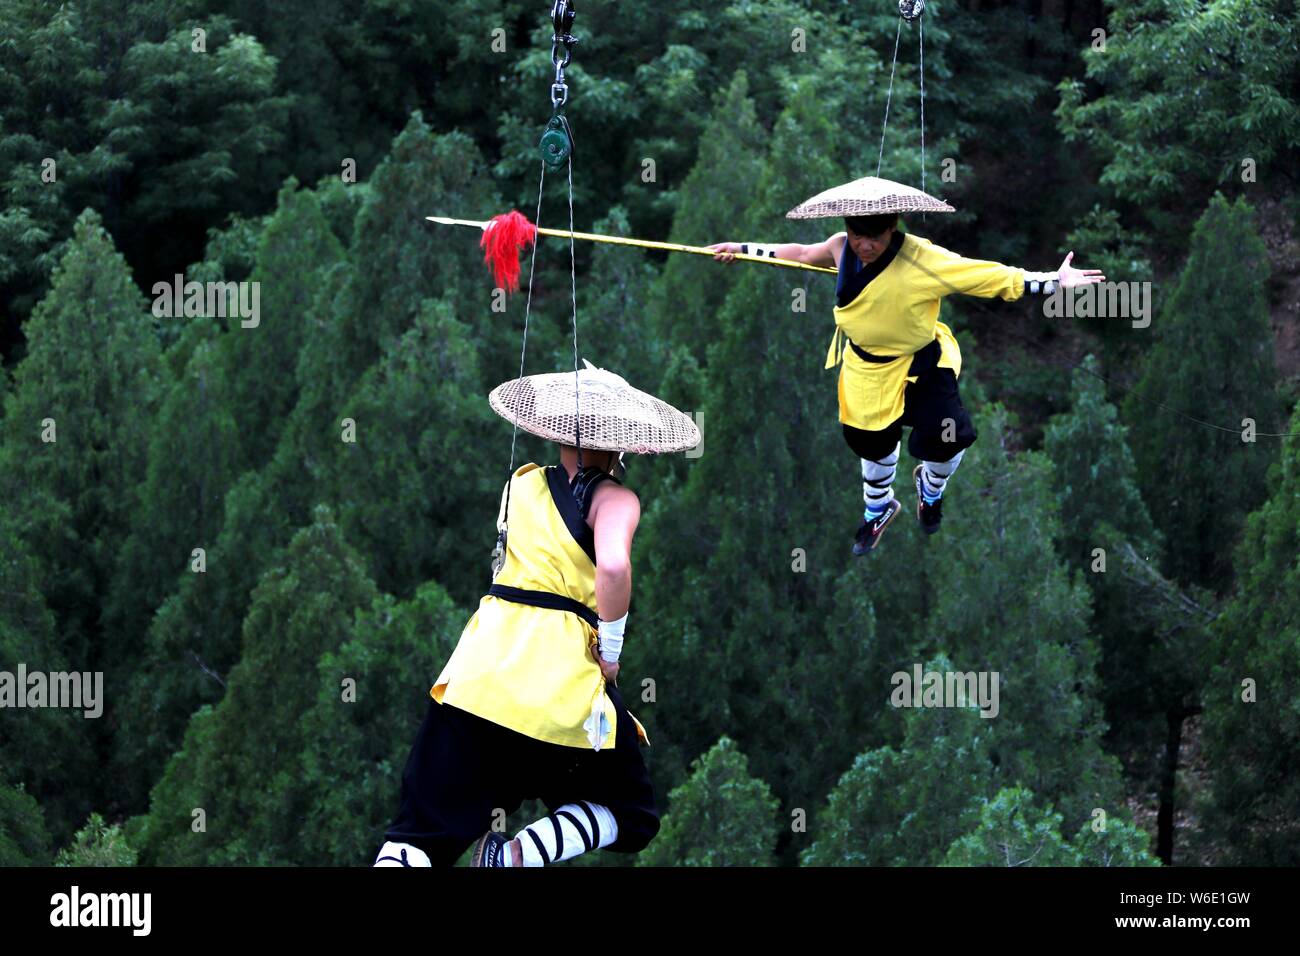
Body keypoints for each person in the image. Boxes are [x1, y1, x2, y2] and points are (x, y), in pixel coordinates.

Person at [373, 360, 700, 867]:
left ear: (555, 430)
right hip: (559, 689)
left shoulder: (519, 485)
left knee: (420, 834)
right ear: (621, 438)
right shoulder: (615, 498)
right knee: (631, 812)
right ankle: (521, 854)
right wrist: (610, 652)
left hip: (477, 678)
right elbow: (612, 565)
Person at [708, 185, 1102, 555]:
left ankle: (930, 490)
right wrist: (742, 249)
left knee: (952, 435)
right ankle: (878, 508)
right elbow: (800, 254)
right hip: (867, 368)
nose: (864, 246)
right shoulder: (842, 247)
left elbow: (988, 276)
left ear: (892, 227)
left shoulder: (922, 259)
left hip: (921, 363)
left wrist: (1053, 281)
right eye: (856, 235)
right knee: (870, 443)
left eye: (873, 238)